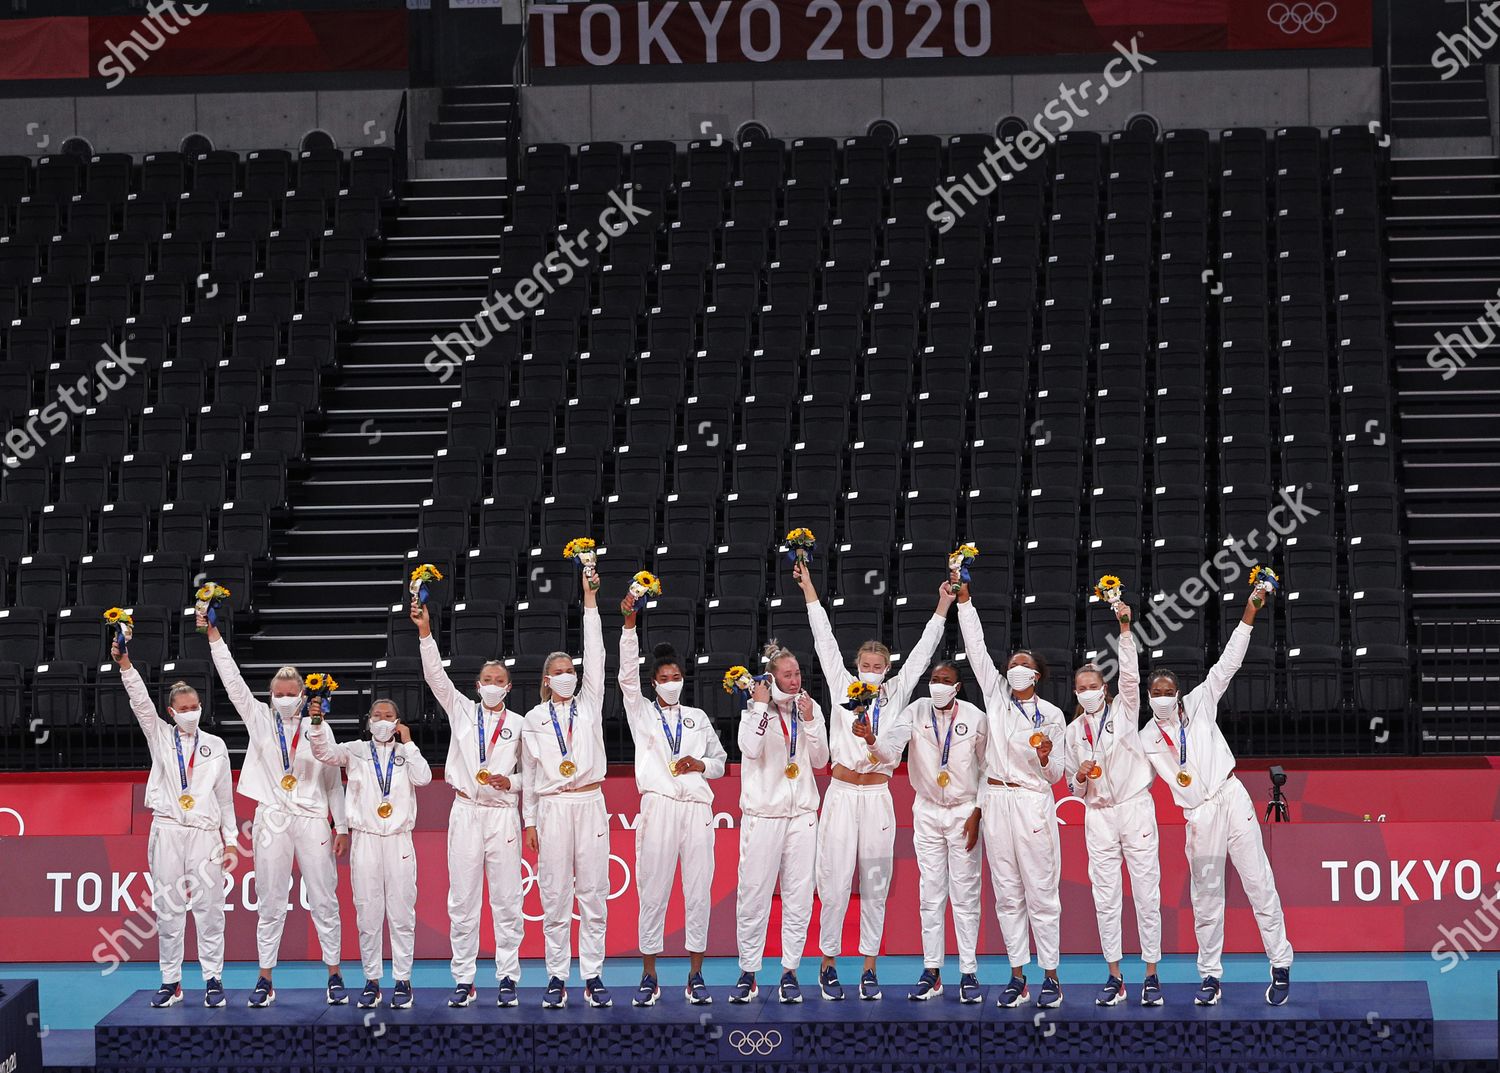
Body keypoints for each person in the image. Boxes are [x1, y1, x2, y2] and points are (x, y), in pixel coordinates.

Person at [796, 566, 953, 1001]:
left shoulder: (897, 691)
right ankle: (828, 964)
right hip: (842, 795)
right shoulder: (841, 683)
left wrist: (943, 603)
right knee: (833, 881)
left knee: (875, 882)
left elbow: (923, 650)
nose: (871, 671)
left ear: (887, 668)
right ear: (856, 667)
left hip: (879, 796)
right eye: (865, 666)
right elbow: (822, 636)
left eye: (878, 666)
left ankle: (868, 967)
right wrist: (810, 586)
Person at [1141, 585, 1293, 1007]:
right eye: (1156, 692)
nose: (1163, 696)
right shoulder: (1146, 738)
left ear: (1179, 691)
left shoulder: (1201, 703)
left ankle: (1280, 963)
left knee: (1259, 881)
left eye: (1169, 689)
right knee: (1206, 897)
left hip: (1232, 798)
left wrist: (1249, 613)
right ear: (1149, 698)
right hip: (1199, 818)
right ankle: (1210, 976)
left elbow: (1229, 662)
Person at [204, 617, 348, 1008]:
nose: (285, 698)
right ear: (270, 695)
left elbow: (334, 782)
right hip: (271, 818)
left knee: (324, 897)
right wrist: (215, 636)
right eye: (278, 693)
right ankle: (265, 978)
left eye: (291, 692)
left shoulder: (320, 727)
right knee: (269, 900)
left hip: (313, 818)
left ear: (303, 694)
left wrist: (343, 826)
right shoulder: (259, 720)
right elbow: (233, 681)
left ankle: (334, 974)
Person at [955, 574, 1067, 1008]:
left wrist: (1044, 756)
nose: (1014, 668)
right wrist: (965, 600)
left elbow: (1056, 773)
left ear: (1036, 674)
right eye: (1011, 663)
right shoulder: (997, 697)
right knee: (1006, 892)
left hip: (1032, 802)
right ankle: (1017, 976)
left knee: (1041, 891)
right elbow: (977, 648)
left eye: (1023, 664)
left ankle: (1051, 978)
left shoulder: (1053, 714)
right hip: (996, 799)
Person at [412, 598, 524, 1009]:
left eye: (500, 679)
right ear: (478, 686)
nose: (493, 684)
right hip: (464, 811)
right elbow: (435, 676)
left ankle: (508, 977)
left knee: (508, 900)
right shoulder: (461, 711)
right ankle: (464, 979)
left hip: (501, 816)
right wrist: (425, 632)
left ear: (508, 687)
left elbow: (533, 775)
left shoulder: (520, 725)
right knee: (461, 901)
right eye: (487, 679)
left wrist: (510, 780)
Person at [619, 591, 728, 1006]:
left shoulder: (697, 718)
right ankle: (649, 976)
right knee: (653, 888)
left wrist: (699, 764)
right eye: (663, 678)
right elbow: (626, 677)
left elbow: (719, 762)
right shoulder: (641, 712)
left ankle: (696, 975)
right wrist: (630, 626)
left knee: (698, 890)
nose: (671, 683)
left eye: (676, 676)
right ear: (653, 683)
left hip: (698, 809)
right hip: (659, 806)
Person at [115, 640, 237, 1009]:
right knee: (168, 910)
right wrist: (125, 665)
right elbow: (139, 701)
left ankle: (213, 979)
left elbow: (225, 798)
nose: (190, 713)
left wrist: (230, 839)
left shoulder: (215, 745)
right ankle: (172, 981)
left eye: (195, 707)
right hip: (167, 829)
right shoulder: (160, 735)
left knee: (210, 908)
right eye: (183, 709)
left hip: (204, 834)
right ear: (171, 711)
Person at [1060, 598, 1163, 1007]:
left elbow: (1132, 678)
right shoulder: (1071, 732)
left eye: (1093, 686)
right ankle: (1115, 975)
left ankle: (1152, 974)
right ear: (1076, 693)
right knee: (1105, 896)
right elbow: (1070, 786)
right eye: (1081, 689)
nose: (1088, 693)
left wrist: (1124, 630)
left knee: (1146, 892)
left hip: (1135, 807)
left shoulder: (1124, 709)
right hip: (1098, 815)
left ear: (1104, 688)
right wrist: (1080, 778)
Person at [520, 568, 611, 1009]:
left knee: (593, 892)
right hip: (553, 807)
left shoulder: (590, 703)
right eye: (559, 672)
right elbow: (530, 775)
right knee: (554, 894)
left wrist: (589, 601)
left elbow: (597, 656)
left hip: (590, 800)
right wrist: (529, 821)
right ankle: (556, 975)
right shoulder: (534, 719)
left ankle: (592, 975)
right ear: (545, 679)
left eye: (571, 670)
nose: (568, 675)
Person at [307, 698, 430, 1010]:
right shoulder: (356, 751)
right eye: (377, 715)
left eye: (389, 716)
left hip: (399, 839)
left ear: (399, 721)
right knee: (368, 914)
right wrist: (318, 724)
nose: (383, 720)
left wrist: (410, 742)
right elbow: (323, 752)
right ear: (368, 721)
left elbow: (425, 778)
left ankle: (403, 980)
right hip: (365, 838)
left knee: (402, 913)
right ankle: (372, 981)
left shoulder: (406, 754)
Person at [732, 640, 830, 1005]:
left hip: (802, 815)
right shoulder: (754, 709)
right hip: (763, 816)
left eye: (798, 674)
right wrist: (759, 704)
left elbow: (821, 760)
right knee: (753, 894)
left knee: (799, 897)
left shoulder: (810, 708)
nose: (795, 680)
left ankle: (790, 971)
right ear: (772, 678)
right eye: (787, 675)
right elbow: (750, 749)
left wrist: (809, 720)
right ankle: (749, 972)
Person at [890, 658, 988, 1003]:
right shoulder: (916, 711)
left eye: (945, 680)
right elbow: (892, 744)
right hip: (927, 810)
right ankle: (932, 971)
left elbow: (988, 768)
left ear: (957, 687)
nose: (938, 684)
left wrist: (978, 811)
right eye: (934, 679)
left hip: (964, 810)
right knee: (930, 894)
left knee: (965, 895)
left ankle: (968, 971)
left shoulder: (976, 718)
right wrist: (874, 741)